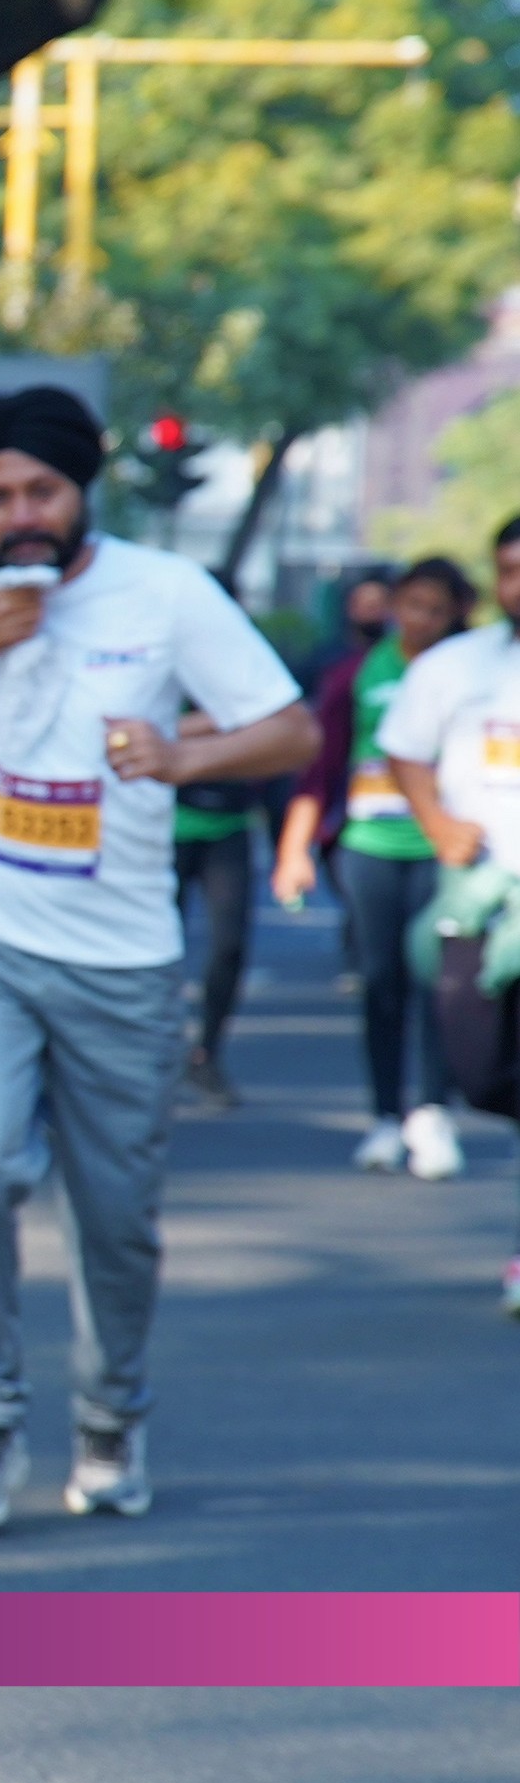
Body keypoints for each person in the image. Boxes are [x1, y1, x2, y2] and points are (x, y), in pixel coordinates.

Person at [0, 386, 317, 1531]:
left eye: (41, 491)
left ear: (81, 490)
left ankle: (110, 1417)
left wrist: (181, 757)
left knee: (116, 1220)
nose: (21, 514)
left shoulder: (167, 592)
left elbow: (291, 728)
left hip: (125, 961)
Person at [273, 556, 476, 1177]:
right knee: (382, 980)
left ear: (456, 613)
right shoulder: (358, 674)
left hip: (445, 851)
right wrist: (295, 847)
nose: (420, 620)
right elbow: (321, 766)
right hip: (370, 845)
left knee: (439, 983)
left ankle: (433, 1112)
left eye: (435, 610)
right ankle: (386, 1115)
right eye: (411, 606)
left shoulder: (470, 673)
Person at [373, 516, 520, 1319]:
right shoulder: (455, 667)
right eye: (508, 570)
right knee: (480, 1069)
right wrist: (434, 820)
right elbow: (403, 748)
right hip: (478, 895)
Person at [170, 757, 259, 1108]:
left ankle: (206, 1054)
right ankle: (158, 1050)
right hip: (166, 827)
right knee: (160, 949)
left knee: (230, 945)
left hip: (230, 825)